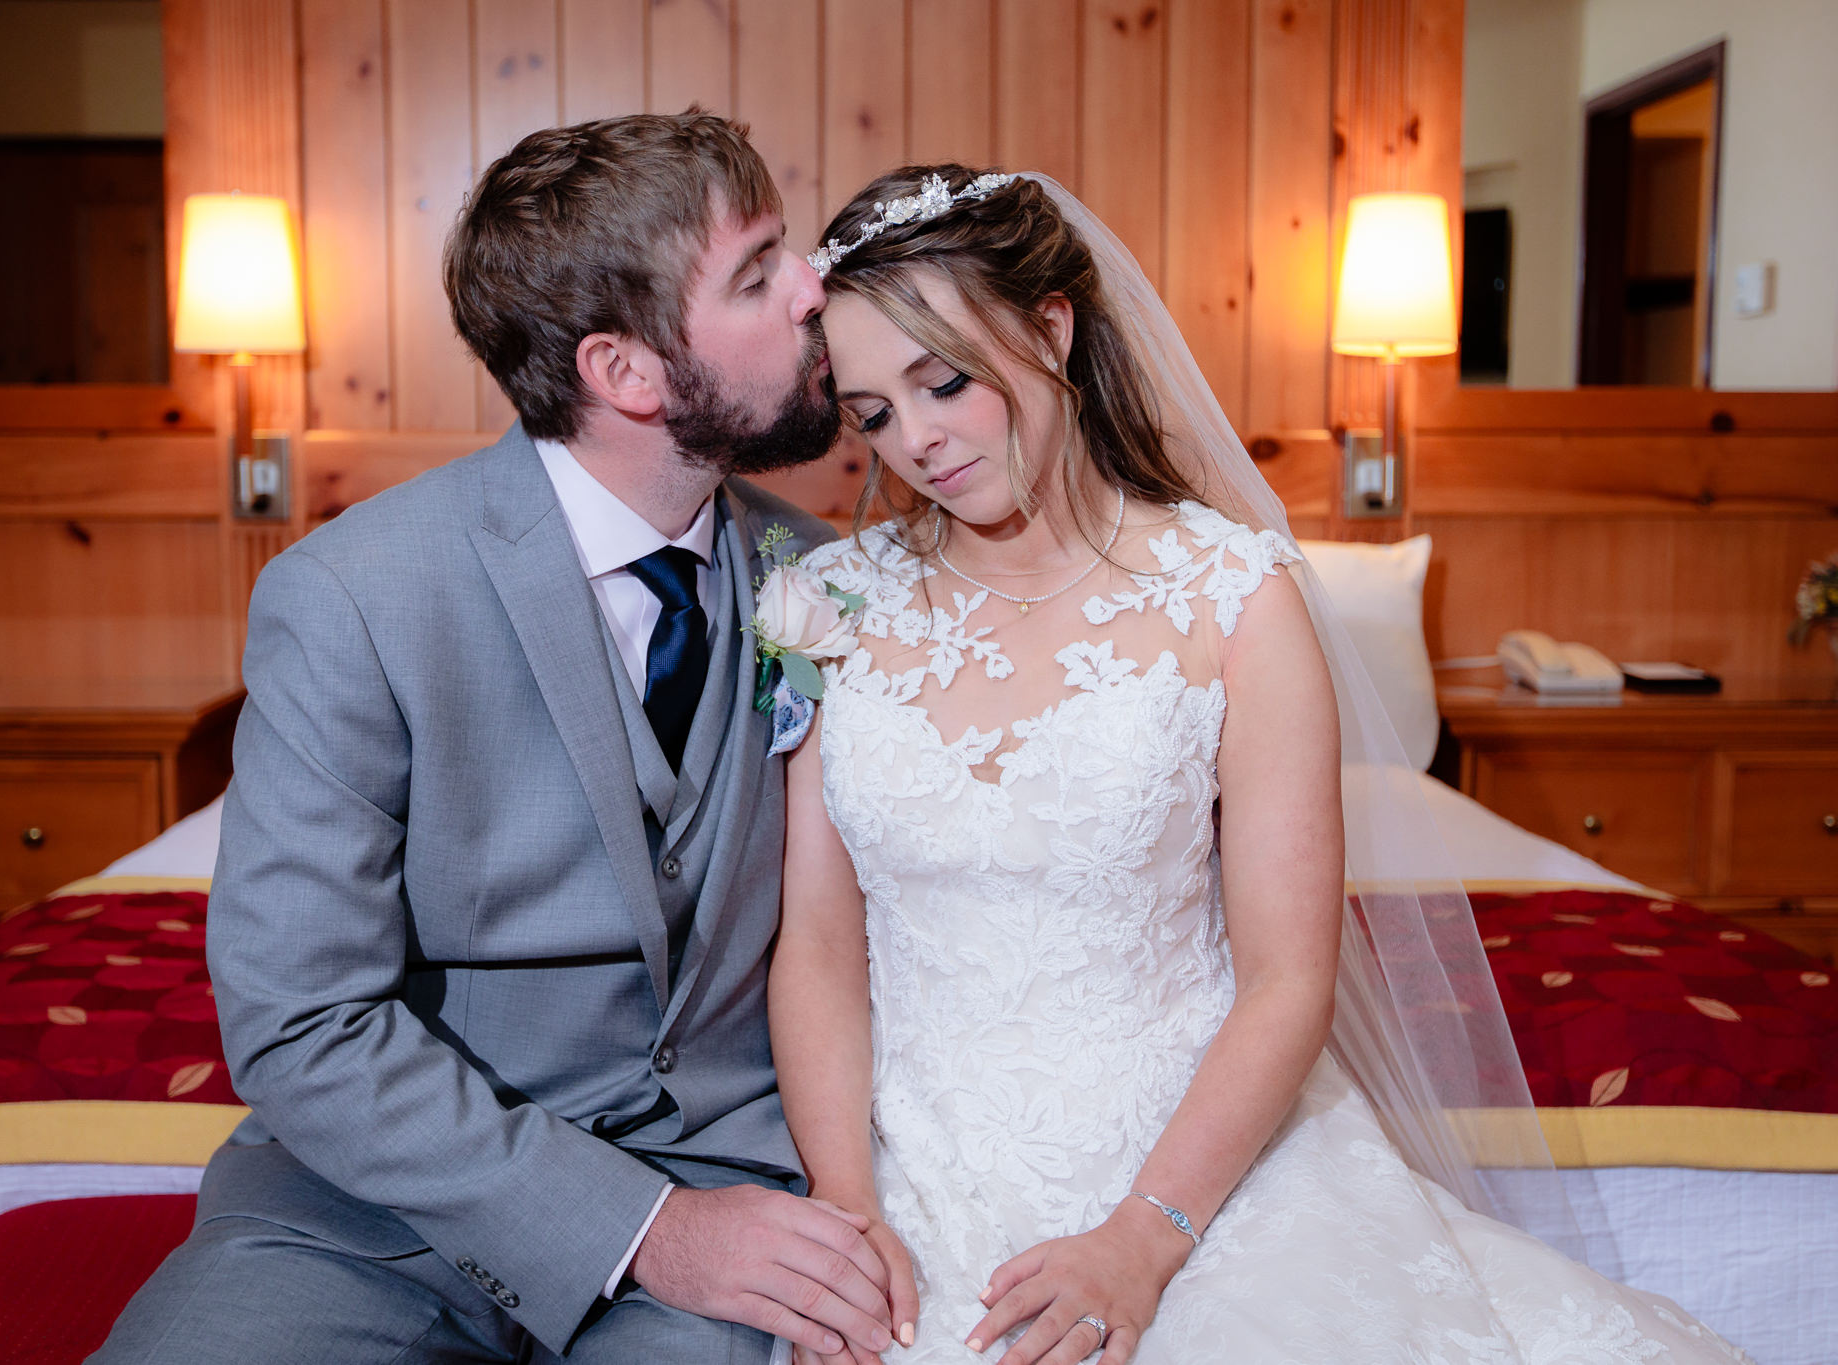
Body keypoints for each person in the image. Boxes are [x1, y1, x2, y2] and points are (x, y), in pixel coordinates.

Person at [771, 165, 1754, 1364]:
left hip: (1193, 1159)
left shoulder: (1233, 596)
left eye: (944, 382)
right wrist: (845, 1205)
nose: (914, 441)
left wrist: (1142, 1237)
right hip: (912, 1161)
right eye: (871, 413)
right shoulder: (829, 603)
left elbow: (1290, 977)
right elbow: (818, 946)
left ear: (1051, 329)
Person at [93, 111, 900, 1365]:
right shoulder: (354, 596)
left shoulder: (829, 581)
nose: (814, 287)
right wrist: (643, 1228)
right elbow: (300, 1023)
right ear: (625, 373)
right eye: (757, 271)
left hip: (733, 1201)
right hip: (373, 1215)